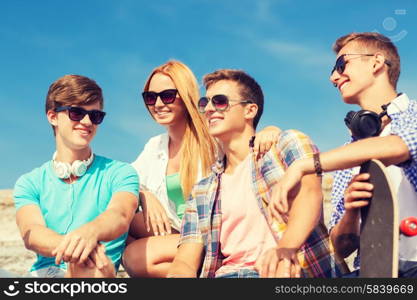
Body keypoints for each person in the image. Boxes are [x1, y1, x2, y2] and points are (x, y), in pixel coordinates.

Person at [167, 69, 347, 278]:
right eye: (204, 103)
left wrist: (285, 250)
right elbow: (185, 259)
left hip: (291, 271)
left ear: (250, 110)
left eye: (219, 101)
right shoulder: (202, 191)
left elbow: (310, 195)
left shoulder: (286, 145)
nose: (208, 109)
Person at [267, 32, 417, 277]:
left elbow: (399, 147)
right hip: (368, 273)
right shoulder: (348, 153)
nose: (334, 77)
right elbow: (340, 246)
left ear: (376, 62)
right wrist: (351, 210)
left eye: (341, 64)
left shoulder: (413, 115)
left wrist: (304, 165)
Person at [122, 60, 282, 277]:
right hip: (182, 236)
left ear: (186, 95)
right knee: (123, 222)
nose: (158, 104)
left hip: (211, 234)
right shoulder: (155, 146)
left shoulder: (212, 134)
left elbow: (247, 142)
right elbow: (124, 179)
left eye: (167, 95)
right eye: (150, 98)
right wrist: (144, 194)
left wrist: (272, 129)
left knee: (134, 256)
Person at [13, 75, 139, 278]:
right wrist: (79, 246)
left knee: (86, 269)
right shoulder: (29, 182)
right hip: (43, 276)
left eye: (95, 115)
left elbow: (120, 215)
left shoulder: (121, 173)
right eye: (76, 113)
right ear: (53, 116)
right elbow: (32, 232)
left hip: (94, 273)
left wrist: (91, 232)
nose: (87, 121)